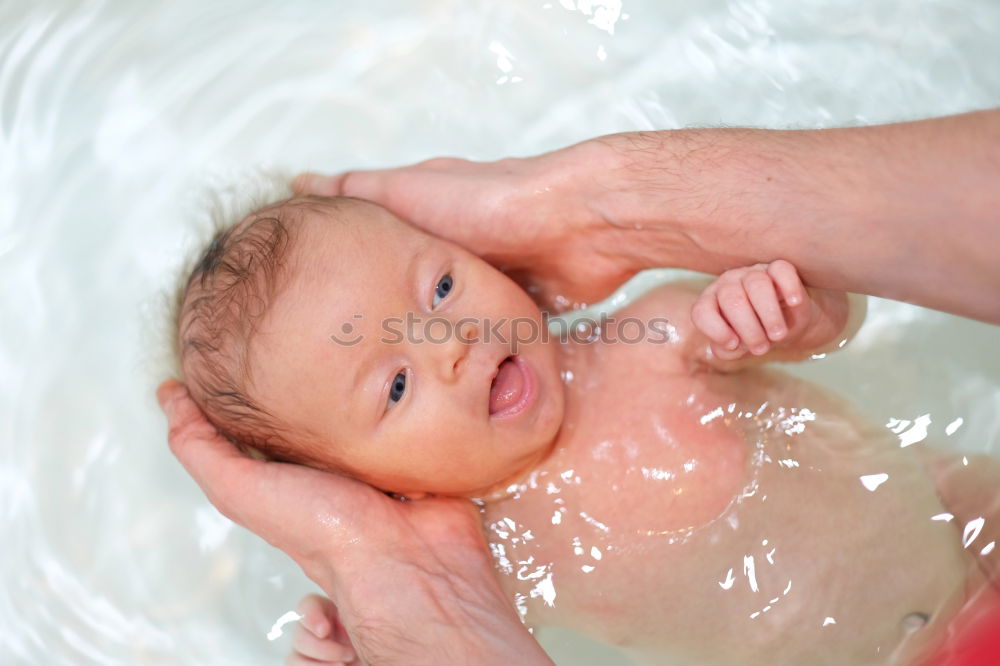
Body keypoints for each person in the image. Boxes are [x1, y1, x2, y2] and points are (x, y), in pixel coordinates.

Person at [159, 108, 1000, 664]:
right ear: (370, 485)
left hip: (951, 517)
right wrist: (364, 637)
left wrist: (788, 313)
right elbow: (456, 628)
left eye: (442, 288)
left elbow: (833, 316)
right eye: (396, 385)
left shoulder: (656, 339)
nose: (454, 344)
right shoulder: (477, 563)